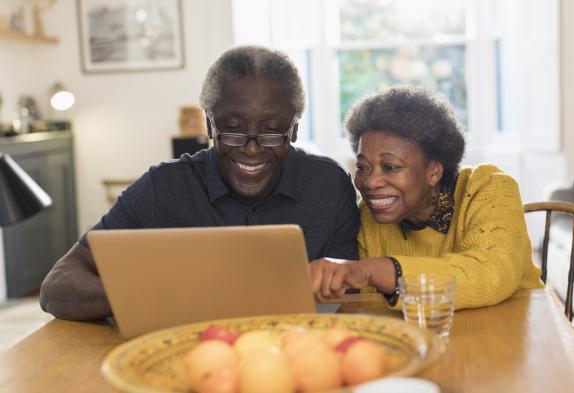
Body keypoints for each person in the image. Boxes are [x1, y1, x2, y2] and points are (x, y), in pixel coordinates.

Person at [40, 46, 359, 320]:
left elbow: (352, 296)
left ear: (294, 129)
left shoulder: (329, 186)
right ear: (209, 123)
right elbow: (57, 286)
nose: (251, 148)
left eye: (272, 130)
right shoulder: (162, 187)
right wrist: (153, 298)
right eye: (232, 129)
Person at [309, 86, 542, 309]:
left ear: (434, 171)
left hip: (526, 334)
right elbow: (374, 308)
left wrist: (371, 270)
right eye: (363, 167)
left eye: (390, 166)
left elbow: (490, 273)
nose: (369, 182)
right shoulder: (369, 217)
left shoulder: (489, 186)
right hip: (436, 341)